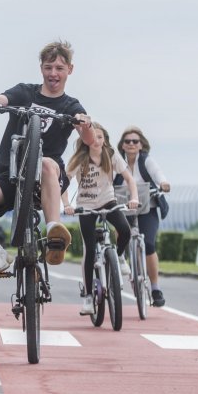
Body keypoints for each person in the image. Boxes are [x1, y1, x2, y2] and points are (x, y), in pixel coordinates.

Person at [0, 40, 94, 276]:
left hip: (47, 180)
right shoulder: (26, 92)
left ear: (70, 70)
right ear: (41, 68)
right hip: (11, 180)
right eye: (48, 67)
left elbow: (89, 140)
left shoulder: (70, 105)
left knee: (45, 163)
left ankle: (54, 231)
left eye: (59, 68)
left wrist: (85, 123)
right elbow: (0, 98)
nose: (53, 73)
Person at [64, 122, 140, 315]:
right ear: (86, 140)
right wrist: (66, 205)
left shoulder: (111, 155)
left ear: (105, 139)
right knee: (89, 249)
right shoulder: (79, 159)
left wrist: (134, 198)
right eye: (93, 137)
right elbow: (63, 183)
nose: (97, 141)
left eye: (100, 137)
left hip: (108, 201)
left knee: (124, 230)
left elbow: (130, 179)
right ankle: (88, 297)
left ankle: (120, 256)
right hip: (86, 206)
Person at [116, 126, 171, 307]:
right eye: (127, 141)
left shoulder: (146, 161)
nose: (131, 144)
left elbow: (159, 174)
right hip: (125, 205)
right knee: (121, 232)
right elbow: (108, 179)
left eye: (135, 141)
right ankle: (123, 259)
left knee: (148, 244)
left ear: (141, 145)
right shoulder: (117, 162)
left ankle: (155, 288)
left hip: (148, 207)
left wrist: (163, 183)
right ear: (122, 145)